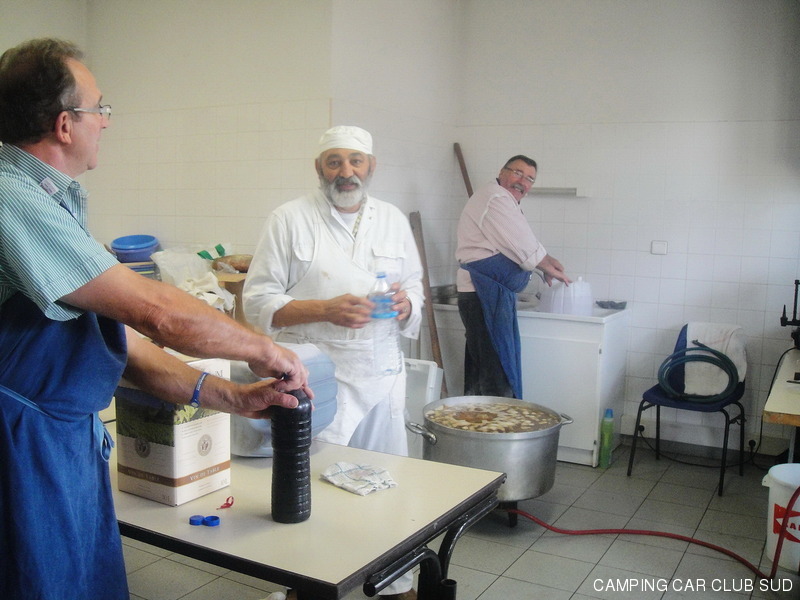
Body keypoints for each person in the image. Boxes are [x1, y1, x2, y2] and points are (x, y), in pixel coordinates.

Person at [0, 38, 311, 600]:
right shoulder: (9, 196)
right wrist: (266, 349)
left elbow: (121, 345)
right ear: (65, 125)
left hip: (56, 441)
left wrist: (233, 396)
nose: (106, 122)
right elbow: (156, 313)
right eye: (100, 109)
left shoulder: (47, 201)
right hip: (19, 448)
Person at [243, 125, 422, 600]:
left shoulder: (392, 219)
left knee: (387, 483)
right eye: (335, 161)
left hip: (382, 374)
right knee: (314, 488)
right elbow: (256, 302)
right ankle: (306, 585)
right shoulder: (289, 219)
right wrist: (324, 309)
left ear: (371, 166)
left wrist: (407, 304)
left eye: (355, 161)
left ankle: (395, 584)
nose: (346, 172)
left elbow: (414, 285)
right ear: (319, 168)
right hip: (317, 376)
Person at [455, 155, 571, 399]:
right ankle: (496, 421)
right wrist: (547, 266)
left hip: (490, 295)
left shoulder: (505, 200)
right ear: (502, 171)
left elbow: (523, 243)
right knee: (495, 372)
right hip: (481, 294)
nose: (522, 181)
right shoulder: (495, 198)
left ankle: (482, 418)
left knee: (487, 368)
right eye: (517, 173)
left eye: (529, 179)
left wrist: (547, 262)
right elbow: (523, 246)